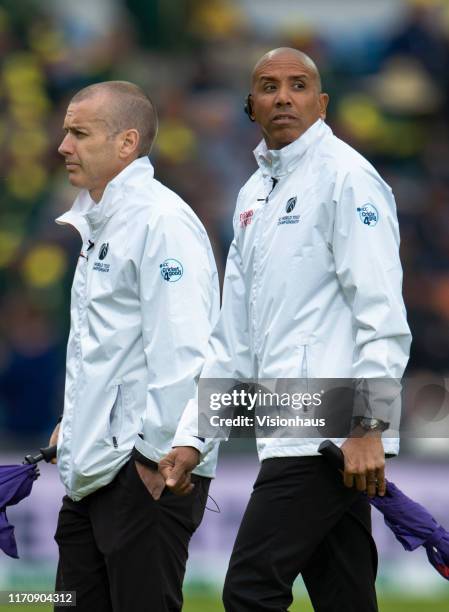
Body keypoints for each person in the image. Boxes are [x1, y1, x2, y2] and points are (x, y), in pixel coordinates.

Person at [159, 48, 412, 611]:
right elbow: (234, 340)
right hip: (287, 421)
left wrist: (370, 426)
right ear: (251, 106)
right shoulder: (252, 197)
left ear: (321, 103)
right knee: (344, 596)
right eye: (269, 87)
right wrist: (195, 435)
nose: (283, 97)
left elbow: (383, 312)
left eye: (299, 86)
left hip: (331, 426)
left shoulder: (349, 179)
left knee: (250, 589)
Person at [48, 81, 219, 612]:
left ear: (126, 143)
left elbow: (187, 352)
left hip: (145, 471)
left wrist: (152, 458)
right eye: (65, 132)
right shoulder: (104, 222)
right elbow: (107, 352)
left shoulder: (161, 222)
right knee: (65, 603)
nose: (63, 146)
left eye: (79, 133)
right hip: (94, 469)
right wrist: (74, 422)